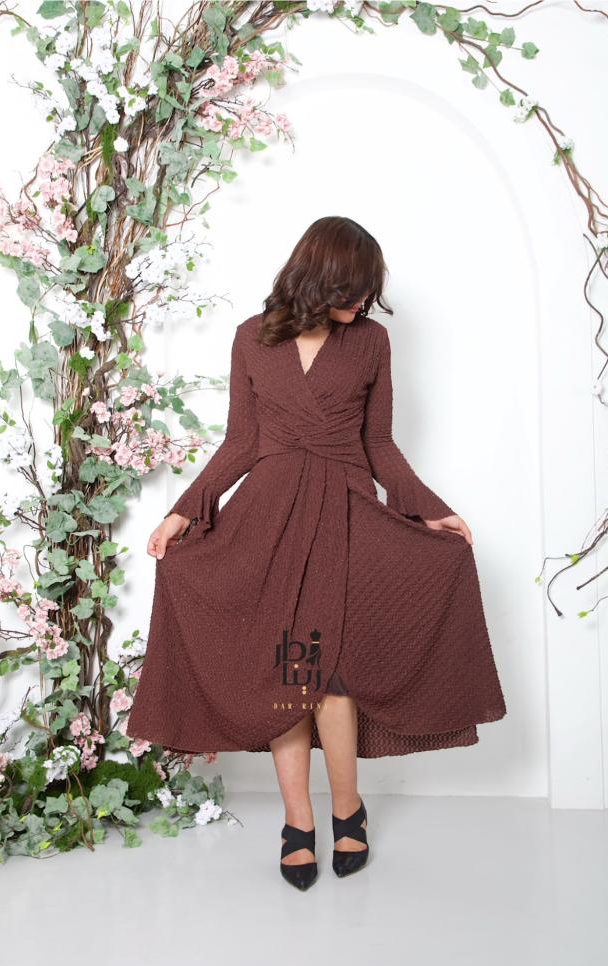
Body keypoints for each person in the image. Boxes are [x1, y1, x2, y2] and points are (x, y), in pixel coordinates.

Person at [126, 216, 507, 892]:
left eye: (368, 292)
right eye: (353, 290)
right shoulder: (252, 337)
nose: (363, 302)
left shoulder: (371, 342)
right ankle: (297, 821)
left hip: (346, 514)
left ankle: (347, 809)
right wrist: (183, 510)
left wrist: (430, 509)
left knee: (333, 673)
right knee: (289, 670)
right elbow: (241, 442)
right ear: (320, 278)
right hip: (268, 518)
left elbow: (379, 445)